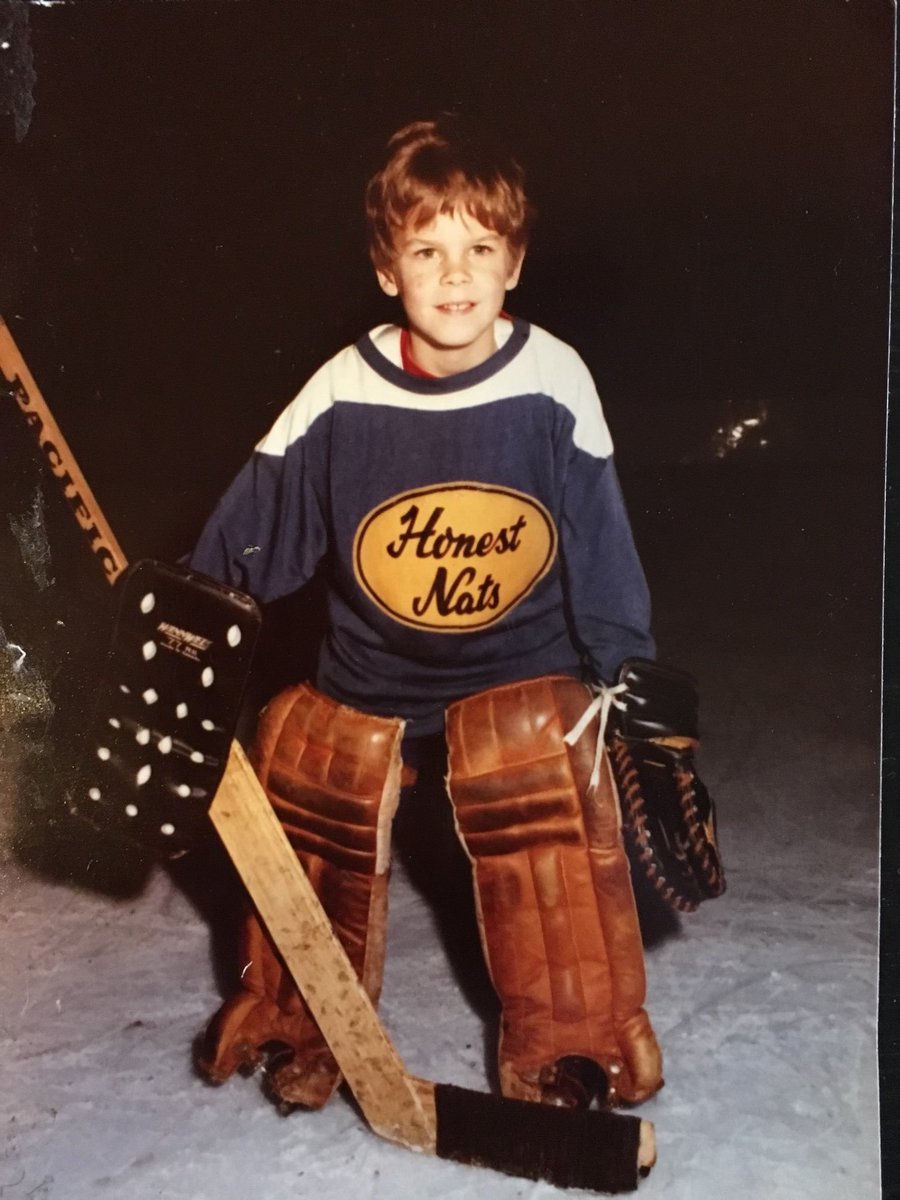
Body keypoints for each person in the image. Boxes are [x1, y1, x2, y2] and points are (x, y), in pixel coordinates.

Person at [189, 116, 664, 1113]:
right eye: (426, 250)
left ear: (516, 261)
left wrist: (627, 676)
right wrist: (186, 624)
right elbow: (254, 529)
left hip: (517, 670)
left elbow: (599, 539)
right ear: (385, 268)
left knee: (542, 775)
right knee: (302, 763)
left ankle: (567, 1041)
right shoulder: (341, 392)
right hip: (376, 675)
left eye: (480, 248)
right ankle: (305, 1018)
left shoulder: (553, 380)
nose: (456, 276)